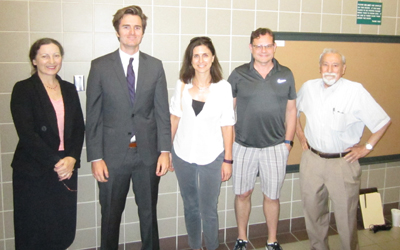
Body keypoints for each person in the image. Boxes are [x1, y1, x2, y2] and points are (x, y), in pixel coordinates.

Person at [85, 5, 171, 250]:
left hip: (147, 155)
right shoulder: (100, 66)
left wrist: (165, 151)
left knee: (148, 215)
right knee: (110, 216)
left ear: (143, 32)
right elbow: (93, 116)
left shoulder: (155, 66)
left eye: (137, 27)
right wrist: (96, 157)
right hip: (111, 157)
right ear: (117, 31)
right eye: (126, 27)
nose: (132, 32)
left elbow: (162, 113)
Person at [295, 48, 391, 250]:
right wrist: (301, 136)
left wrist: (367, 147)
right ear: (319, 67)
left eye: (335, 65)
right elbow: (292, 112)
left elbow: (382, 121)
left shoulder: (355, 91)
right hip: (312, 160)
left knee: (346, 218)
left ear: (343, 69)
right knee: (313, 213)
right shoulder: (308, 88)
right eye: (325, 64)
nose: (330, 69)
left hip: (343, 163)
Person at [10, 38, 85, 250]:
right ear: (34, 60)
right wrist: (57, 162)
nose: (51, 61)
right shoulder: (23, 89)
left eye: (56, 55)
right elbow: (27, 134)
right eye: (44, 56)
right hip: (34, 170)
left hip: (67, 166)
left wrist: (71, 158)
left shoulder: (69, 89)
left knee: (62, 226)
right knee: (33, 229)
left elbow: (79, 127)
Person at [228, 28, 297, 250]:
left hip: (275, 147)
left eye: (268, 45)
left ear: (274, 47)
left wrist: (287, 143)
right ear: (251, 48)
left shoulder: (286, 73)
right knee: (242, 194)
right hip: (243, 146)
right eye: (258, 46)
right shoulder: (238, 74)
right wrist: (229, 143)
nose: (263, 50)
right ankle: (241, 237)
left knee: (272, 196)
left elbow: (292, 110)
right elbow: (227, 112)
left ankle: (272, 240)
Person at [169, 37, 235, 250]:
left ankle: (213, 247)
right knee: (190, 207)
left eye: (205, 54)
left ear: (212, 57)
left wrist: (228, 159)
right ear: (190, 59)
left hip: (213, 156)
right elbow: (174, 119)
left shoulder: (223, 88)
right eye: (195, 55)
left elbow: (227, 125)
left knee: (208, 209)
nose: (200, 60)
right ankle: (195, 246)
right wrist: (166, 152)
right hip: (182, 154)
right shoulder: (181, 85)